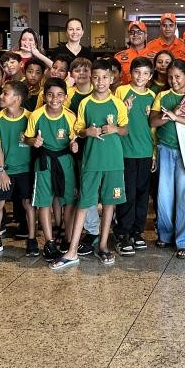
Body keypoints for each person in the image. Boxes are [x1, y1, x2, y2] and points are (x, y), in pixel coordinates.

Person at [53, 59, 130, 269]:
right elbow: (78, 129)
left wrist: (115, 129)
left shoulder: (118, 103)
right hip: (91, 162)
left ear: (111, 79)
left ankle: (103, 246)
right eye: (96, 77)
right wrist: (88, 131)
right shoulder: (85, 103)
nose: (100, 81)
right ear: (91, 78)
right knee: (84, 203)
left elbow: (125, 129)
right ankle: (72, 251)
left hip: (114, 162)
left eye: (105, 77)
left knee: (109, 203)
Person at [150, 60, 185, 258]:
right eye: (170, 77)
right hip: (165, 149)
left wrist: (177, 118)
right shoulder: (163, 96)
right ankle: (166, 235)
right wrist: (171, 114)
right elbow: (153, 120)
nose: (174, 80)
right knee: (164, 195)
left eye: (178, 76)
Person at [26, 77, 79, 262]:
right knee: (44, 202)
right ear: (44, 96)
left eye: (59, 95)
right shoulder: (36, 115)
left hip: (65, 161)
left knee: (69, 201)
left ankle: (67, 238)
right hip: (44, 162)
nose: (54, 99)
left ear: (65, 97)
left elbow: (74, 140)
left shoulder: (70, 116)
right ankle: (49, 242)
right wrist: (34, 141)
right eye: (50, 95)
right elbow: (27, 138)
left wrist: (74, 146)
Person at [0, 80, 37, 258]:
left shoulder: (30, 117)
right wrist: (1, 171)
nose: (1, 96)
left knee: (28, 203)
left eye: (6, 93)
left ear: (17, 98)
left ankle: (32, 239)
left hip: (25, 170)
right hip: (4, 170)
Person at [113, 57, 157, 255]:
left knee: (142, 194)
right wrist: (124, 109)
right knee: (127, 194)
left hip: (145, 151)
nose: (141, 77)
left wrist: (153, 153)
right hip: (126, 151)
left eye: (145, 73)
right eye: (137, 72)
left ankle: (137, 231)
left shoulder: (152, 95)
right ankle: (122, 233)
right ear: (130, 73)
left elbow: (153, 128)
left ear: (150, 76)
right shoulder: (121, 91)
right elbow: (113, 119)